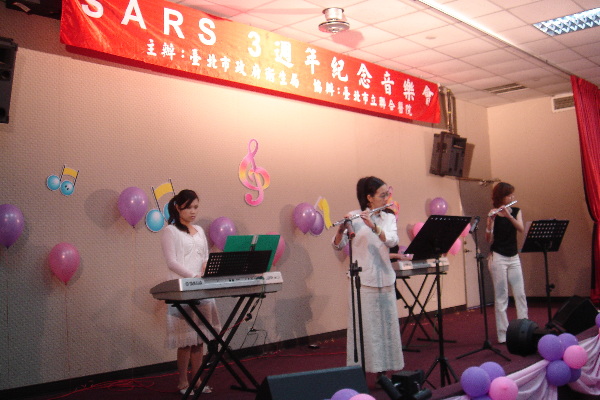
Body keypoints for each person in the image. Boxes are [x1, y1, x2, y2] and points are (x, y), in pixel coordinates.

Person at [332, 176, 404, 378]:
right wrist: (340, 230)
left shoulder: (389, 217)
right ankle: (360, 372)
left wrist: (373, 226)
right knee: (365, 330)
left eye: (387, 194)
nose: (387, 198)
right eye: (382, 195)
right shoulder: (354, 217)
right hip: (362, 282)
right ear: (369, 198)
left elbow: (392, 241)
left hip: (385, 278)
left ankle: (383, 374)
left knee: (385, 328)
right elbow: (337, 246)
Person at [161, 189, 221, 395]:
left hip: (201, 287)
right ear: (178, 208)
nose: (193, 211)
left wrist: (205, 269)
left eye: (196, 207)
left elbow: (204, 256)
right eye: (189, 207)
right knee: (185, 341)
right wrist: (193, 276)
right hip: (183, 288)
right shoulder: (171, 231)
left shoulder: (200, 231)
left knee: (200, 338)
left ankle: (198, 380)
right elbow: (172, 262)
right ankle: (183, 382)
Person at [485, 182, 528, 344]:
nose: (512, 197)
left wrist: (509, 216)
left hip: (513, 257)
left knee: (520, 293)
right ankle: (503, 334)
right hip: (498, 257)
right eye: (509, 195)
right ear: (501, 197)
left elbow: (521, 229)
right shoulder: (493, 213)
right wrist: (490, 223)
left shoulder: (516, 211)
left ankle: (524, 328)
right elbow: (488, 239)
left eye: (512, 195)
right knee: (501, 296)